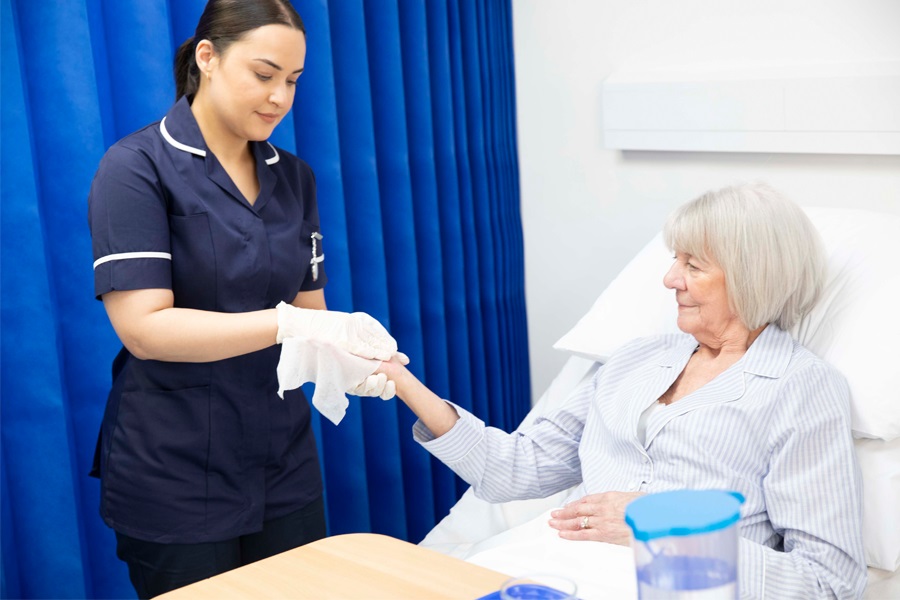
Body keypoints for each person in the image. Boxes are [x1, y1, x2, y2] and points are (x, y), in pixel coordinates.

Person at [376, 183, 867, 599]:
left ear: (752, 278)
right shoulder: (634, 360)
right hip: (543, 566)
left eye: (693, 267)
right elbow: (515, 470)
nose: (670, 278)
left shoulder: (800, 388)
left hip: (675, 585)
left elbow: (828, 578)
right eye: (676, 260)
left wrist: (662, 530)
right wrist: (400, 378)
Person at [87, 1, 400, 597]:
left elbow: (313, 314)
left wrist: (353, 357)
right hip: (174, 467)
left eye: (292, 81)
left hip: (281, 461)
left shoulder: (294, 177)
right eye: (263, 75)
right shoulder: (136, 168)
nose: (279, 97)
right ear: (207, 57)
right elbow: (145, 329)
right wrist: (290, 327)